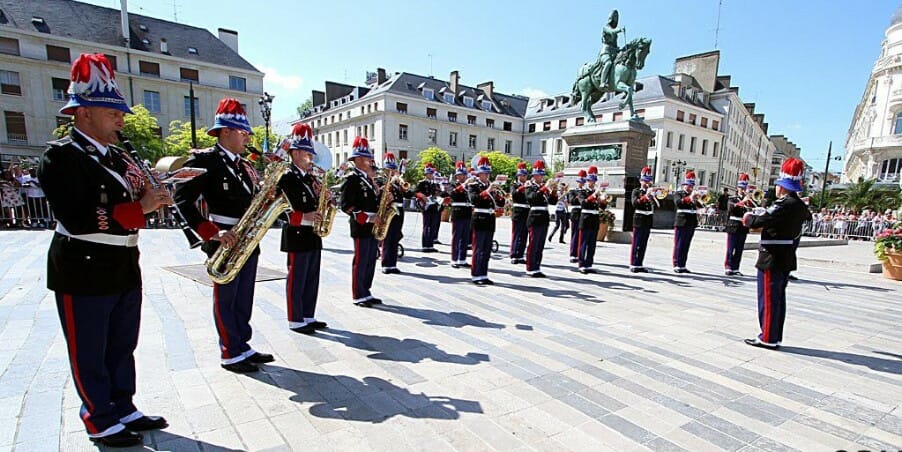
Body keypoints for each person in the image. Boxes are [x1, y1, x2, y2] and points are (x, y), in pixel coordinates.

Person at [37, 53, 170, 447]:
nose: (121, 120)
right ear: (84, 114)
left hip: (124, 261)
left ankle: (122, 405)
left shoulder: (118, 157)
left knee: (122, 343)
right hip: (84, 264)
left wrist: (151, 195)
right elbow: (79, 216)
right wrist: (139, 207)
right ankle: (98, 417)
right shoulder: (60, 157)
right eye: (112, 112)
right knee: (90, 349)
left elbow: (130, 206)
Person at [175, 98, 275, 374]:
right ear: (226, 132)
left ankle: (242, 343)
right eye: (243, 133)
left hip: (247, 237)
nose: (247, 138)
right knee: (227, 296)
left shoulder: (244, 166)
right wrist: (210, 232)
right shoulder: (203, 160)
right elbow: (181, 200)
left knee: (244, 295)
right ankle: (229, 351)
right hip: (225, 237)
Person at [742, 158, 811, 349]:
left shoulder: (783, 204)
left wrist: (748, 217)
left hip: (772, 256)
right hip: (785, 256)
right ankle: (774, 335)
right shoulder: (799, 205)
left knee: (769, 299)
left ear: (782, 186)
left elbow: (756, 222)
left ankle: (768, 337)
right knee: (778, 299)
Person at [276, 123, 327, 335]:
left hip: (312, 233)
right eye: (307, 153)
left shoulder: (310, 178)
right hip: (296, 232)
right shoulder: (286, 176)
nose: (311, 157)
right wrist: (302, 216)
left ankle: (308, 315)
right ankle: (295, 319)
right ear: (295, 153)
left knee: (311, 276)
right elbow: (278, 208)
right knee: (297, 278)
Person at [340, 137, 385, 307]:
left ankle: (366, 291)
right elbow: (346, 206)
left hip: (373, 225)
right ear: (358, 159)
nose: (371, 161)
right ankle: (358, 294)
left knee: (370, 260)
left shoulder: (369, 179)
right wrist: (367, 217)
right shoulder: (352, 179)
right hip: (361, 225)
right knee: (360, 260)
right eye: (367, 158)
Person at [469, 157, 505, 285]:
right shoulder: (473, 185)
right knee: (478, 249)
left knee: (486, 249)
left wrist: (499, 195)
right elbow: (474, 200)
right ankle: (476, 275)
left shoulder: (490, 186)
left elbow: (500, 202)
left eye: (488, 173)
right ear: (479, 174)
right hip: (479, 219)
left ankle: (483, 274)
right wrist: (488, 190)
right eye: (485, 173)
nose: (487, 175)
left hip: (490, 220)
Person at [524, 160, 558, 277]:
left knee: (540, 245)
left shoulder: (544, 187)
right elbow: (531, 198)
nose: (542, 177)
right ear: (534, 175)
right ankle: (530, 267)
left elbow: (553, 202)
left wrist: (553, 190)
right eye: (540, 175)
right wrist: (545, 188)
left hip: (544, 218)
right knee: (533, 244)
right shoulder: (530, 186)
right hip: (534, 217)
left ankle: (537, 267)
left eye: (543, 175)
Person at [380, 153, 411, 274]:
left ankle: (393, 264)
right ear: (385, 169)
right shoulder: (380, 179)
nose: (392, 171)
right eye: (389, 169)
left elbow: (409, 194)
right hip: (388, 210)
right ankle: (386, 264)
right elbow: (380, 191)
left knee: (396, 236)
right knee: (388, 237)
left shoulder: (398, 182)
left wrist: (403, 186)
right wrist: (391, 181)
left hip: (399, 211)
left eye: (393, 169)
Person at [672, 170, 703, 273]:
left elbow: (700, 206)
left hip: (691, 223)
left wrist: (700, 203)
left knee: (686, 245)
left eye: (691, 186)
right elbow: (678, 203)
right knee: (679, 244)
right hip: (681, 222)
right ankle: (676, 264)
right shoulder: (679, 193)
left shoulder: (694, 197)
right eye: (688, 185)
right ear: (684, 185)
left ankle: (683, 265)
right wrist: (690, 197)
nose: (690, 188)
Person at [578, 167, 605, 274]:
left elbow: (602, 207)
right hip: (585, 220)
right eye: (590, 181)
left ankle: (589, 264)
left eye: (594, 181)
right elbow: (583, 203)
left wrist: (602, 200)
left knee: (592, 244)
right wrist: (594, 195)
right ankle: (581, 264)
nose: (592, 183)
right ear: (587, 181)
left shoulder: (596, 192)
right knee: (583, 243)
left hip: (594, 220)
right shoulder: (582, 191)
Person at [629, 166, 655, 272]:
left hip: (648, 219)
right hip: (639, 219)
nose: (647, 183)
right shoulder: (636, 191)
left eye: (648, 181)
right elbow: (635, 203)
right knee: (637, 242)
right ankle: (633, 264)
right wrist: (645, 196)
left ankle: (640, 263)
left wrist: (653, 197)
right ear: (640, 181)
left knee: (644, 243)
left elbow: (657, 205)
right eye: (645, 181)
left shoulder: (652, 192)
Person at [724, 174, 751, 276]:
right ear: (737, 188)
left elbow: (751, 211)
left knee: (739, 249)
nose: (743, 190)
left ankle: (736, 267)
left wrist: (749, 203)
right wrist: (743, 202)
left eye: (744, 188)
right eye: (741, 188)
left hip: (743, 227)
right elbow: (731, 209)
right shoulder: (732, 198)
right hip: (733, 226)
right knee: (731, 248)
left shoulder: (748, 200)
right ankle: (728, 267)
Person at [448, 161, 472, 268]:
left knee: (465, 237)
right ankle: (454, 259)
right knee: (456, 237)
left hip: (467, 212)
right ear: (457, 175)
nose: (463, 177)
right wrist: (464, 184)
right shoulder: (453, 184)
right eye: (461, 175)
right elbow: (452, 193)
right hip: (457, 212)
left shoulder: (470, 185)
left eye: (464, 175)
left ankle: (462, 258)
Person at [414, 163, 441, 252]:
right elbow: (416, 192)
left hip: (433, 205)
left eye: (432, 173)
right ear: (426, 174)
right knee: (427, 226)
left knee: (433, 225)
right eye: (429, 173)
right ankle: (425, 245)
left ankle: (431, 245)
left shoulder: (434, 184)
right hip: (426, 205)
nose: (431, 175)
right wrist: (422, 197)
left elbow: (438, 193)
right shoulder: (422, 183)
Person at [509, 162, 530, 264]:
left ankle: (520, 255)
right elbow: (514, 194)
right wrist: (523, 187)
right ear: (518, 176)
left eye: (525, 175)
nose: (524, 177)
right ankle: (514, 254)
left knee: (524, 235)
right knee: (516, 233)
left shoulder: (529, 185)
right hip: (518, 212)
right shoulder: (514, 185)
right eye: (522, 175)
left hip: (527, 212)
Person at [567, 170, 588, 261]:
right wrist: (578, 196)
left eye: (583, 182)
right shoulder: (573, 191)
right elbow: (571, 201)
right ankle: (573, 254)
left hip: (583, 213)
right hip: (575, 213)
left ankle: (580, 254)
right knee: (575, 234)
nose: (581, 184)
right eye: (580, 182)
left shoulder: (586, 191)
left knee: (582, 235)